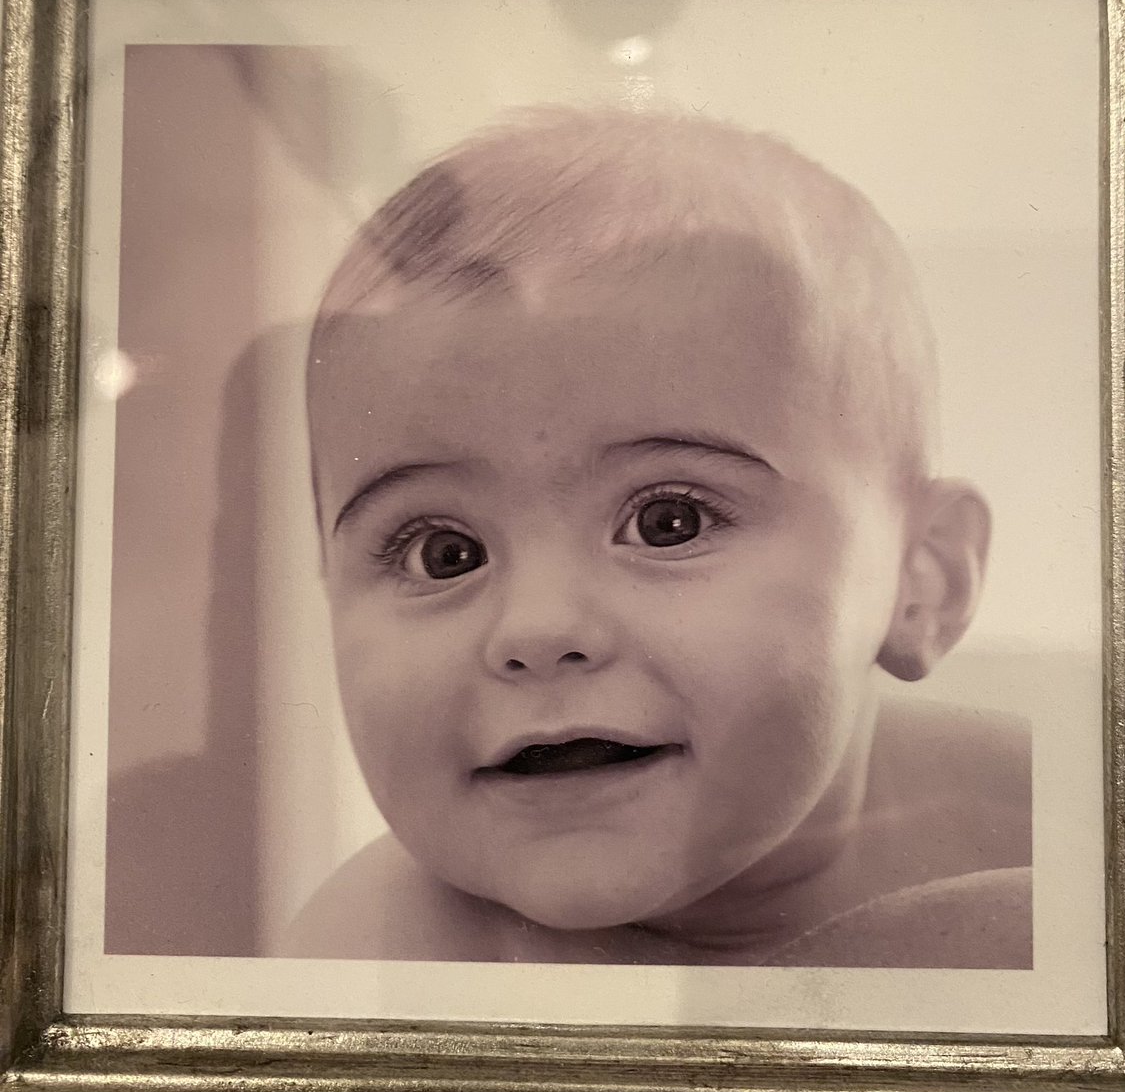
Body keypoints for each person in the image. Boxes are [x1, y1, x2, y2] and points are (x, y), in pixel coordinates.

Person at [287, 106, 1031, 967]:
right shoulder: (379, 955)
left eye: (668, 522)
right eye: (444, 554)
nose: (537, 629)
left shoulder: (1049, 823)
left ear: (923, 578)